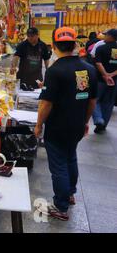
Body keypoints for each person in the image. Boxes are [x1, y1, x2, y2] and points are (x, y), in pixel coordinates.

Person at [35, 27, 97, 221]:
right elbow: (92, 101)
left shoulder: (55, 71)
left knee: (59, 165)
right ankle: (69, 193)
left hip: (57, 127)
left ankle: (61, 206)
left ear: (53, 46)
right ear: (75, 45)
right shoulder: (89, 69)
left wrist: (38, 125)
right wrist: (85, 122)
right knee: (70, 157)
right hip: (77, 125)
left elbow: (46, 103)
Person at [92, 29, 117, 133]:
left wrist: (105, 75)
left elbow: (98, 63)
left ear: (111, 36)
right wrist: (111, 75)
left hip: (100, 80)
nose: (104, 36)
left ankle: (98, 119)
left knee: (95, 100)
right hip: (114, 81)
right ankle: (102, 126)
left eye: (106, 35)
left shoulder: (101, 48)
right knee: (108, 103)